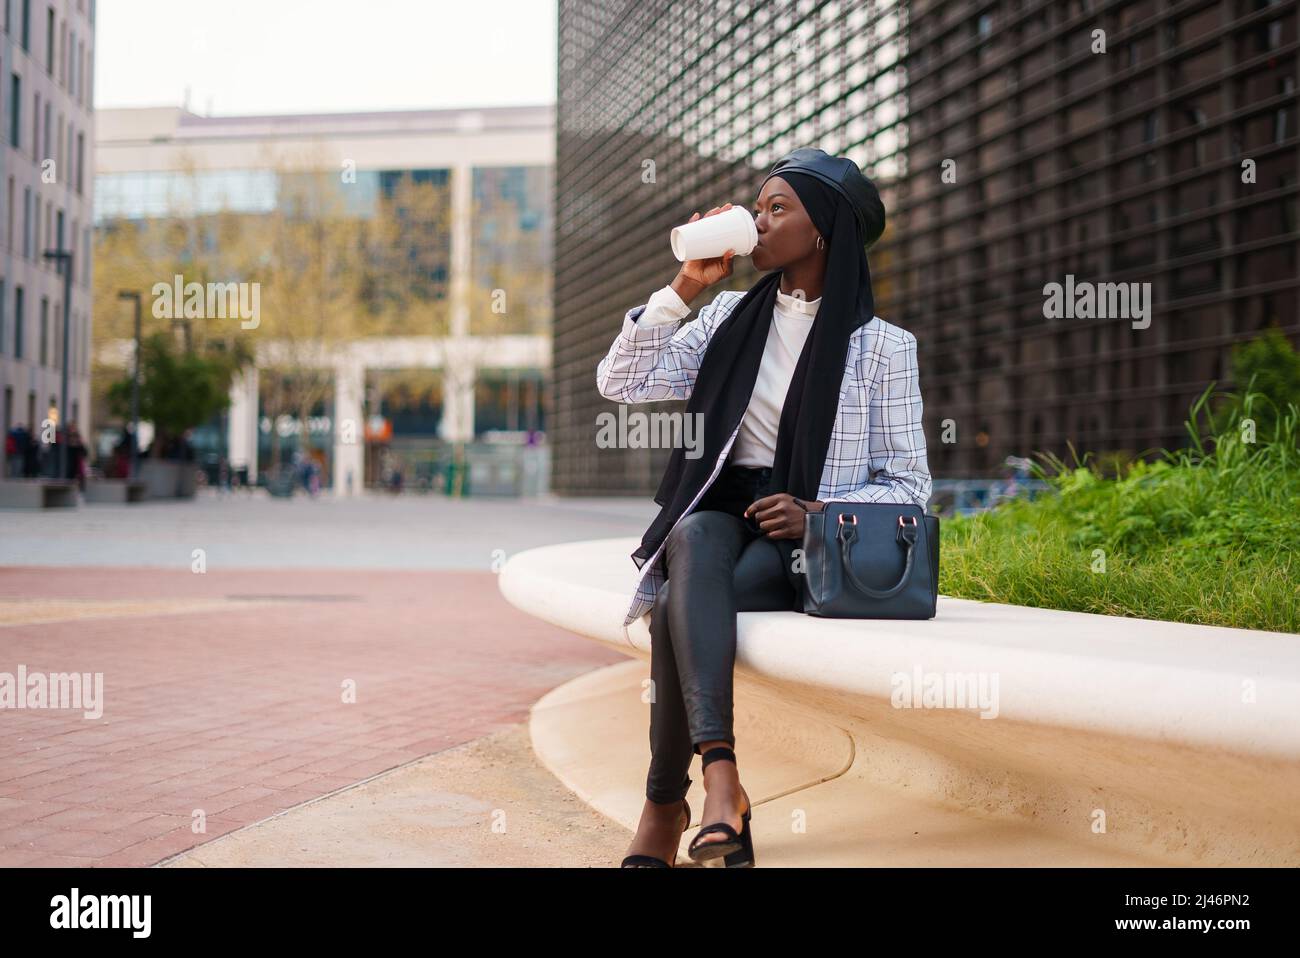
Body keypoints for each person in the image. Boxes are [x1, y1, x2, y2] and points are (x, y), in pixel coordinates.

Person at [596, 147, 931, 868]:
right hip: (720, 513)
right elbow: (623, 381)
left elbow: (908, 485)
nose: (758, 220)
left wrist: (818, 510)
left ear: (823, 233)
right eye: (758, 206)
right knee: (691, 539)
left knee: (679, 614)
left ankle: (664, 805)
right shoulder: (724, 318)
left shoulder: (883, 350)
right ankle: (721, 784)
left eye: (778, 208)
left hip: (808, 542)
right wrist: (685, 284)